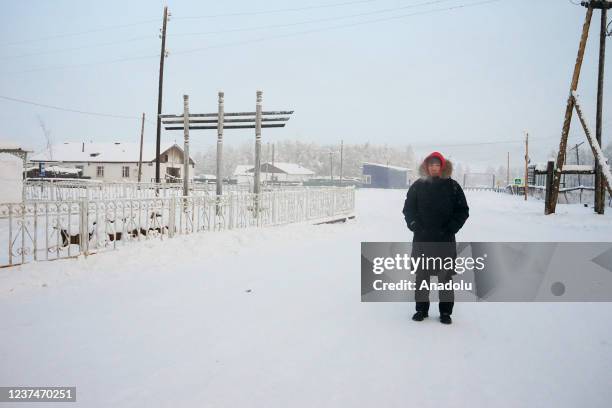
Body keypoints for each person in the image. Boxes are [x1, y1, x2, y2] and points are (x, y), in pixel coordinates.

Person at [402, 151, 469, 325]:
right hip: (422, 240)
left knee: (445, 278)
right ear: (426, 166)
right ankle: (421, 310)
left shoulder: (453, 186)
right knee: (421, 277)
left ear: (442, 167)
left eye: (437, 165)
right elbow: (408, 209)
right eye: (431, 165)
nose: (434, 167)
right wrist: (414, 224)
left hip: (444, 240)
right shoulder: (417, 186)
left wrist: (452, 227)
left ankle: (445, 312)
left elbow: (463, 210)